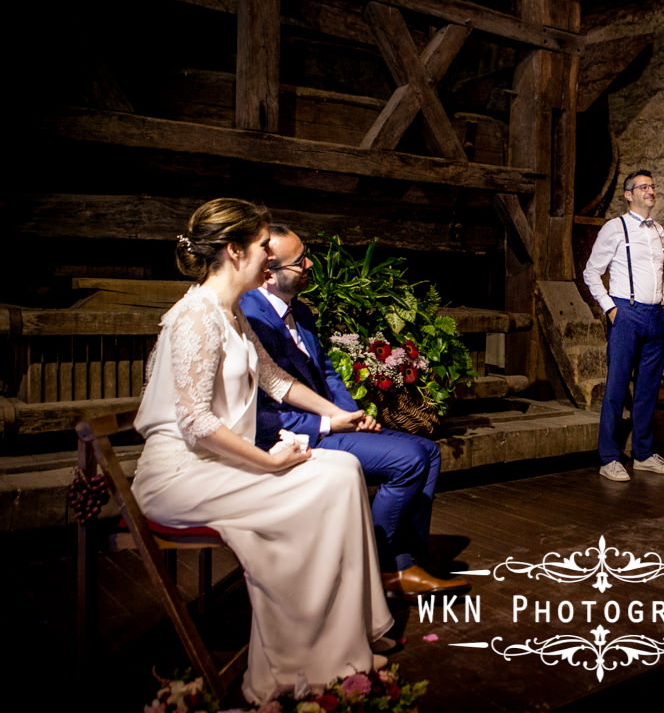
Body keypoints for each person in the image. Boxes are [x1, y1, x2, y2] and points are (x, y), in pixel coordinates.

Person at [132, 199, 393, 704]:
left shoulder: (230, 315)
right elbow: (196, 422)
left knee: (343, 467)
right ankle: (300, 657)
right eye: (262, 248)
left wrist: (335, 415)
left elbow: (275, 380)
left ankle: (341, 641)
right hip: (179, 477)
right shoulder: (196, 318)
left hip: (216, 462)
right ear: (234, 251)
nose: (269, 260)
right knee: (323, 481)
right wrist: (270, 462)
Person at [239, 224, 468, 601]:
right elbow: (266, 406)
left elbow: (326, 373)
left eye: (306, 253)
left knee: (428, 451)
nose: (310, 264)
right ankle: (378, 566)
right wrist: (330, 422)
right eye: (300, 262)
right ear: (269, 273)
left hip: (331, 420)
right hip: (289, 432)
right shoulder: (253, 319)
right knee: (408, 460)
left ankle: (403, 561)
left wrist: (354, 415)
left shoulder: (302, 313)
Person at [582, 169, 664, 482]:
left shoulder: (658, 230)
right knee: (617, 387)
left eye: (652, 185)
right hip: (625, 313)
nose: (650, 191)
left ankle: (644, 454)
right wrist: (611, 310)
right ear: (628, 194)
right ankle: (608, 457)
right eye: (644, 186)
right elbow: (591, 272)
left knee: (649, 389)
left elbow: (657, 273)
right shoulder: (615, 227)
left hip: (654, 317)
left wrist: (663, 304)